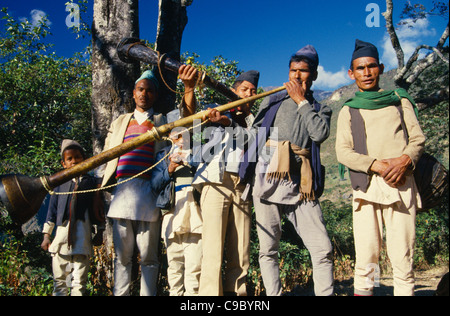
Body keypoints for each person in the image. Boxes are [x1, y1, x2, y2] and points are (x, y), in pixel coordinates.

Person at [239, 46, 334, 296]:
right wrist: (226, 122)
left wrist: (301, 102)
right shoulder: (273, 99)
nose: (297, 76)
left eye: (303, 72)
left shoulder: (320, 108)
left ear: (313, 75)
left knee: (322, 246)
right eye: (293, 71)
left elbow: (319, 134)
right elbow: (254, 133)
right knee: (268, 248)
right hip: (267, 175)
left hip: (301, 181)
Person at [97, 65, 198, 296]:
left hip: (151, 193)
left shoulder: (163, 121)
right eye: (140, 89)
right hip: (122, 192)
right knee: (122, 257)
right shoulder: (121, 122)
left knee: (149, 257)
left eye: (150, 90)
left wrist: (188, 88)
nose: (144, 94)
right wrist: (98, 188)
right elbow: (105, 156)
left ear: (156, 95)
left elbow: (187, 122)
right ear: (133, 93)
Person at [335, 39, 426, 296]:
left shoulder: (399, 100)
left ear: (381, 68)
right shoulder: (349, 110)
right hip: (367, 190)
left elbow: (417, 139)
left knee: (402, 256)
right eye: (360, 68)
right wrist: (375, 165)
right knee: (368, 258)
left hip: (401, 186)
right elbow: (343, 152)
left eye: (371, 66)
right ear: (351, 73)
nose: (366, 73)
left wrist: (404, 161)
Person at [190, 70, 260, 296]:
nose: (248, 94)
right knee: (212, 248)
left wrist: (229, 121)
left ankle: (237, 297)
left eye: (252, 91)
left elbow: (253, 141)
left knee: (241, 250)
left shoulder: (254, 121)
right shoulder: (215, 110)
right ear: (233, 91)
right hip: (216, 182)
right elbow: (189, 119)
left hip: (242, 185)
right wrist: (189, 89)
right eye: (244, 90)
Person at [41, 139, 105, 296]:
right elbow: (52, 211)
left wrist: (100, 232)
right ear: (64, 164)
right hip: (61, 240)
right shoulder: (59, 184)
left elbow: (98, 210)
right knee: (60, 281)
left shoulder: (91, 184)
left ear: (84, 159)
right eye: (69, 159)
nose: (74, 161)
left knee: (79, 283)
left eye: (78, 157)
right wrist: (46, 236)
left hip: (82, 239)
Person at [151, 128, 202, 296]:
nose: (180, 139)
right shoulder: (163, 155)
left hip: (195, 210)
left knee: (195, 266)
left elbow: (207, 172)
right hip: (172, 209)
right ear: (170, 137)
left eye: (184, 135)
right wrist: (170, 168)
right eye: (177, 136)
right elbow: (155, 185)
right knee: (174, 264)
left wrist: (189, 158)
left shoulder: (200, 151)